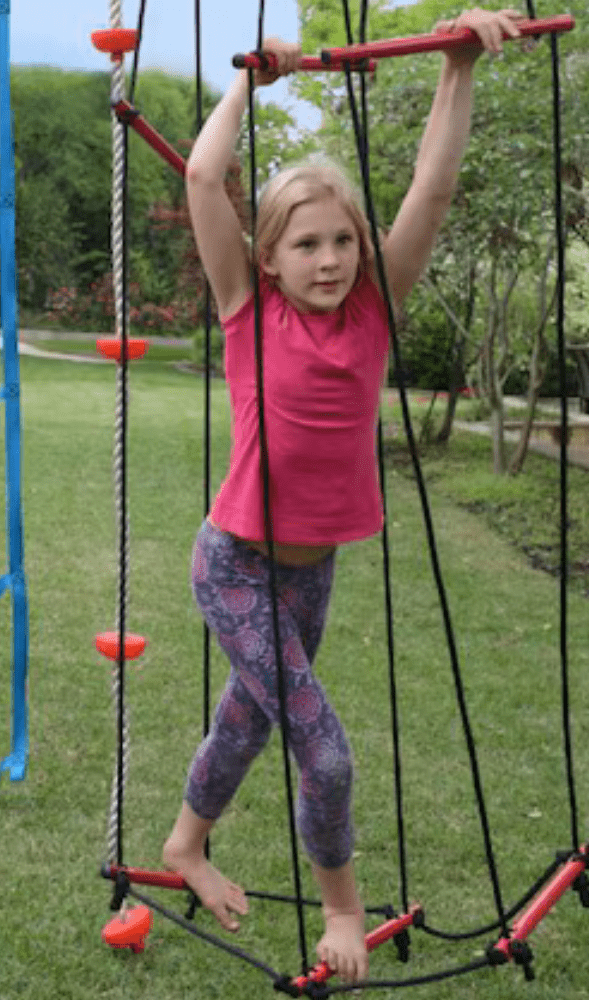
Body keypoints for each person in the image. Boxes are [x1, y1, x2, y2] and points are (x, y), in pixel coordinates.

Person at [161, 8, 523, 984]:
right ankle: (342, 911)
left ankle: (185, 844)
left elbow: (432, 189)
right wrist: (251, 82)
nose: (328, 260)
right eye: (305, 244)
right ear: (268, 257)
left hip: (310, 571)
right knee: (322, 751)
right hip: (234, 563)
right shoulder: (247, 311)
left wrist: (457, 68)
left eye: (342, 241)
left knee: (247, 723)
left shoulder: (373, 310)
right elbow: (202, 177)